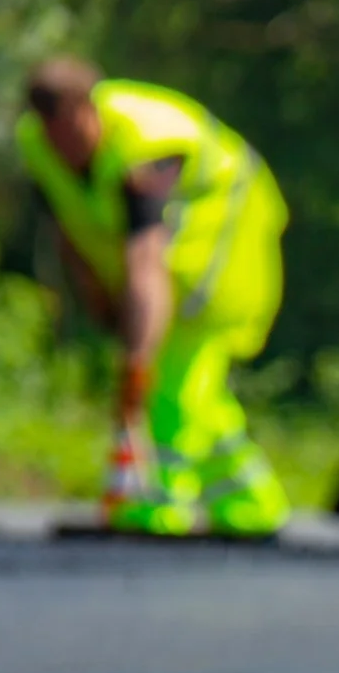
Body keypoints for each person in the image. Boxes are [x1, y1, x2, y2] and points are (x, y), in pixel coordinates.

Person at [17, 59, 291, 538]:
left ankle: (152, 508)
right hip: (159, 256)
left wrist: (135, 362)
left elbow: (146, 259)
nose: (65, 148)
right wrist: (98, 297)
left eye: (72, 133)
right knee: (197, 391)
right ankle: (250, 501)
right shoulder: (38, 146)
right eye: (53, 137)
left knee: (167, 377)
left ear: (91, 109)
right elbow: (70, 227)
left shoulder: (148, 146)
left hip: (225, 235)